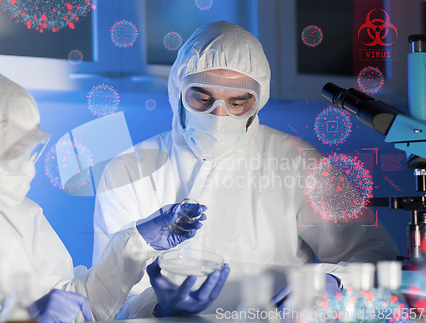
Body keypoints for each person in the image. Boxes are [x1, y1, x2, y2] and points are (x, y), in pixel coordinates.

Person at [92, 20, 400, 319]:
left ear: (259, 100)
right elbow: (105, 299)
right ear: (178, 92)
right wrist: (158, 308)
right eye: (202, 98)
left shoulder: (296, 160)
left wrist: (331, 284)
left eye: (238, 102)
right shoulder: (129, 170)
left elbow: (372, 251)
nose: (219, 115)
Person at [0, 63, 213, 322]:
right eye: (14, 151)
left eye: (28, 151)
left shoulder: (22, 216)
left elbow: (75, 306)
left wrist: (137, 242)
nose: (24, 167)